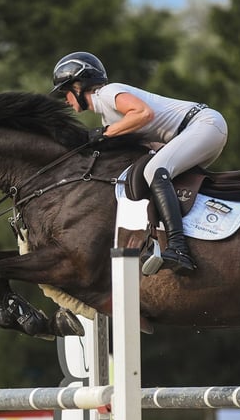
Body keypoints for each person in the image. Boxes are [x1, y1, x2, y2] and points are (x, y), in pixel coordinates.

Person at [49, 51, 228, 274]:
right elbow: (147, 147)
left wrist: (105, 133)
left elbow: (143, 113)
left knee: (155, 171)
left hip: (203, 125)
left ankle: (179, 248)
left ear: (78, 86)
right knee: (151, 172)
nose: (66, 100)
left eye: (65, 92)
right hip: (198, 132)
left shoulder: (107, 92)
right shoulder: (110, 116)